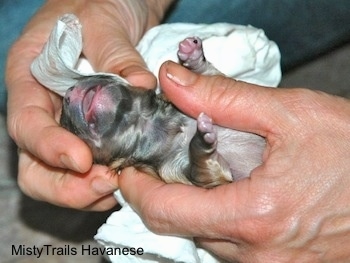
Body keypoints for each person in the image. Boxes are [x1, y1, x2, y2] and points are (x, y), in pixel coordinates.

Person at [4, 0, 350, 261]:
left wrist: (198, 66)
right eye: (83, 120)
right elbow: (202, 174)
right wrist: (202, 148)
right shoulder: (158, 167)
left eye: (85, 86)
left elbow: (216, 87)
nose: (74, 94)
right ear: (107, 158)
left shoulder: (169, 97)